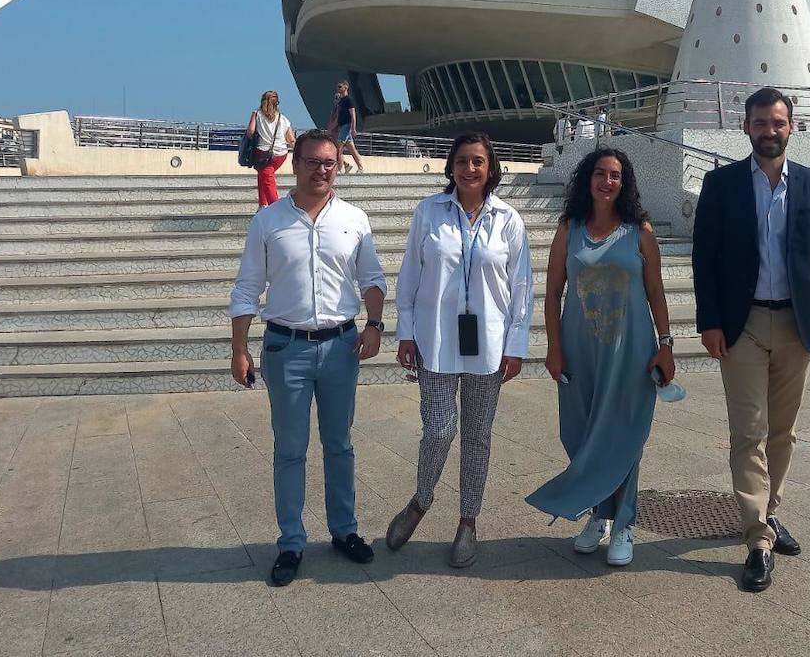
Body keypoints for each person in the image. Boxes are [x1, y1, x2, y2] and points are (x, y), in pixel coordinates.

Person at [692, 86, 810, 593]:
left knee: (784, 433)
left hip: (797, 325)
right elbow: (704, 258)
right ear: (746, 128)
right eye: (760, 123)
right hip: (744, 324)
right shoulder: (722, 184)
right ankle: (758, 538)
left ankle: (769, 514)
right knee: (749, 431)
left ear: (791, 128)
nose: (769, 131)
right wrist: (710, 321)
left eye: (778, 123)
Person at [228, 129, 387, 587]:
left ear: (338, 166)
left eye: (330, 163)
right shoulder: (268, 221)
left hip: (341, 346)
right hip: (286, 348)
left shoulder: (354, 219)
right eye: (313, 162)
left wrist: (375, 324)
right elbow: (247, 288)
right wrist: (239, 349)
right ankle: (291, 542)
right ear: (293, 164)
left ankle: (344, 530)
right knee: (290, 449)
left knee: (340, 444)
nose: (321, 170)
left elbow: (372, 278)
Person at [385, 133, 533, 568]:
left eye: (479, 162)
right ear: (451, 167)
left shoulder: (508, 219)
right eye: (463, 161)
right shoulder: (429, 212)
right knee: (439, 429)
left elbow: (522, 287)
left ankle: (468, 520)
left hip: (488, 344)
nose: (470, 169)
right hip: (435, 340)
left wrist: (517, 343)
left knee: (477, 436)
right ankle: (421, 499)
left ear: (491, 169)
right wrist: (406, 333)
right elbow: (410, 274)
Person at [526, 148, 676, 567]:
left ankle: (623, 521)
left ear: (624, 183)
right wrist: (554, 348)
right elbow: (553, 292)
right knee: (579, 432)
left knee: (622, 434)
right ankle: (599, 511)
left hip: (630, 349)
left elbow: (656, 292)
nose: (607, 182)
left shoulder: (639, 231)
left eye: (615, 175)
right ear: (587, 180)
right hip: (579, 347)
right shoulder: (569, 228)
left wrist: (665, 344)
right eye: (600, 174)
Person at [245, 90, 295, 208]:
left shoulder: (257, 114)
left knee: (268, 180)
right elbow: (291, 139)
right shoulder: (283, 119)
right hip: (281, 154)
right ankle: (262, 205)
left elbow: (251, 131)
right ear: (277, 103)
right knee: (263, 175)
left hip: (263, 153)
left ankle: (274, 208)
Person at [330, 80, 365, 174]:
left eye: (340, 86)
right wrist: (332, 127)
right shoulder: (340, 101)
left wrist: (353, 128)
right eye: (337, 86)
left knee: (338, 148)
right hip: (342, 126)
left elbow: (353, 114)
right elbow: (337, 116)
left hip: (346, 126)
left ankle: (339, 168)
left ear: (346, 87)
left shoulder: (348, 100)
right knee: (352, 149)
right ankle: (358, 167)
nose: (338, 88)